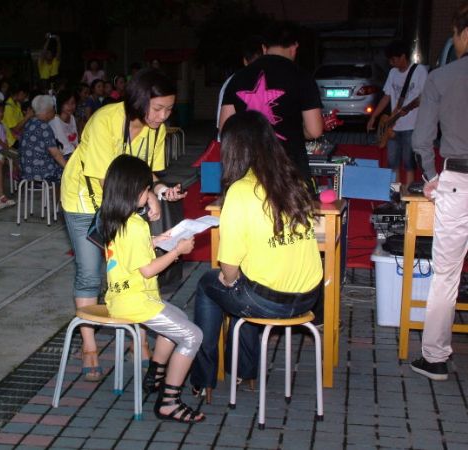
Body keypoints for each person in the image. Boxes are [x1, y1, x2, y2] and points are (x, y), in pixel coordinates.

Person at [60, 68, 185, 381]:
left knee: (135, 270)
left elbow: (146, 172)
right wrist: (146, 198)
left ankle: (138, 339)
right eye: (158, 108)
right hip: (85, 201)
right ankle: (89, 346)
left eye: (169, 109)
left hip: (126, 201)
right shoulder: (105, 120)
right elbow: (107, 180)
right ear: (139, 101)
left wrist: (159, 190)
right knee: (90, 273)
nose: (163, 116)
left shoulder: (156, 129)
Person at [189, 110, 323, 402]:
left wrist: (229, 280)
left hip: (269, 302)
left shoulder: (240, 191)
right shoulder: (295, 181)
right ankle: (244, 370)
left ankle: (203, 377)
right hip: (308, 297)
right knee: (245, 286)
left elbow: (228, 266)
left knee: (210, 285)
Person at [100, 154, 204, 423]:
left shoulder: (116, 219)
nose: (148, 195)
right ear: (133, 190)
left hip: (122, 297)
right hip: (136, 301)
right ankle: (169, 401)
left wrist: (157, 240)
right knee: (192, 335)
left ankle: (155, 376)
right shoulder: (135, 225)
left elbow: (131, 252)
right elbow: (147, 270)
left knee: (178, 319)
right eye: (146, 190)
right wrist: (177, 251)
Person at [409, 3, 468, 381]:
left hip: (458, 181)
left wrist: (431, 176)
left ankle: (435, 358)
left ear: (464, 33)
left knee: (446, 274)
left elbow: (422, 138)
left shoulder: (443, 77)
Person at [219, 21, 323, 184]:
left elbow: (225, 128)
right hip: (289, 171)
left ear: (264, 47)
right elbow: (315, 131)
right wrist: (294, 130)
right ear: (294, 47)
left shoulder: (239, 77)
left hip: (246, 169)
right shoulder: (302, 78)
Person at [367, 40, 428, 186]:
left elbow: (424, 97)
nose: (391, 63)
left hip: (412, 127)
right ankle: (395, 194)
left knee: (409, 164)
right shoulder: (393, 73)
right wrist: (373, 117)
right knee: (392, 163)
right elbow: (386, 96)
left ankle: (407, 195)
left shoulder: (419, 71)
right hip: (393, 127)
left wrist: (408, 108)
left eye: (393, 59)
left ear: (403, 56)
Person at [216, 34, 264, 140]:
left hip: (238, 144)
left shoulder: (233, 81)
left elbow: (223, 126)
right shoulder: (277, 79)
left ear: (245, 61)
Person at [19, 95, 66, 183]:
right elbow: (55, 154)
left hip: (26, 170)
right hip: (40, 172)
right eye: (53, 109)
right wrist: (68, 167)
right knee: (65, 169)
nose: (54, 111)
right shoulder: (44, 127)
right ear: (48, 111)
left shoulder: (29, 122)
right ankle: (59, 192)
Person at [48, 90, 78, 158]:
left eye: (73, 103)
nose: (70, 106)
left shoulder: (72, 117)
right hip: (61, 156)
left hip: (73, 152)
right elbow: (64, 146)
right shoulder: (55, 121)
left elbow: (75, 139)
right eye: (67, 103)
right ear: (61, 104)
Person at [2, 83, 33, 148]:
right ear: (21, 93)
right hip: (11, 142)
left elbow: (21, 124)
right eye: (25, 96)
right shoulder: (8, 107)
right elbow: (15, 129)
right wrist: (27, 116)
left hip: (18, 138)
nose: (25, 98)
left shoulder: (17, 104)